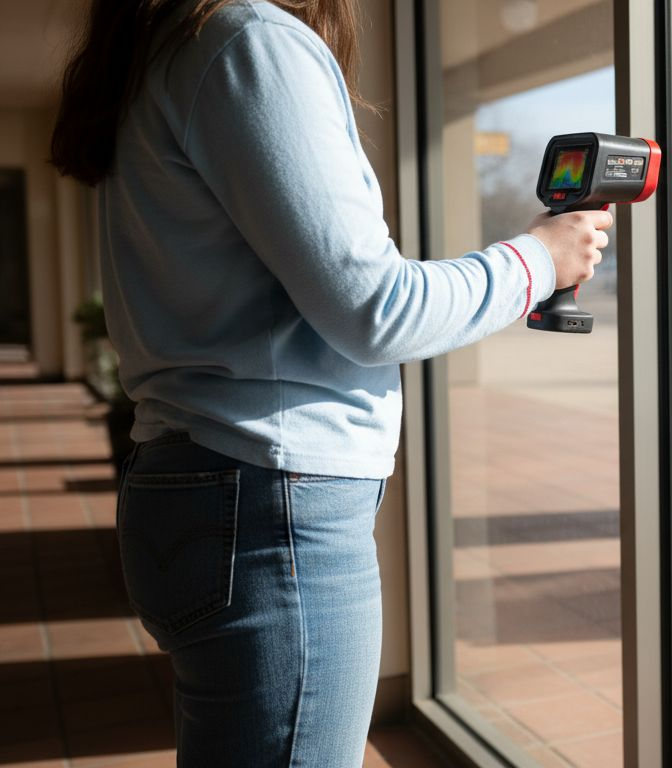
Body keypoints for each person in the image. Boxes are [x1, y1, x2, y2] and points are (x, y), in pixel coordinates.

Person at [49, 1, 611, 764]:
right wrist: (541, 258)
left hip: (193, 483)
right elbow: (378, 310)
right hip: (269, 507)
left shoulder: (163, 48)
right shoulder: (247, 40)